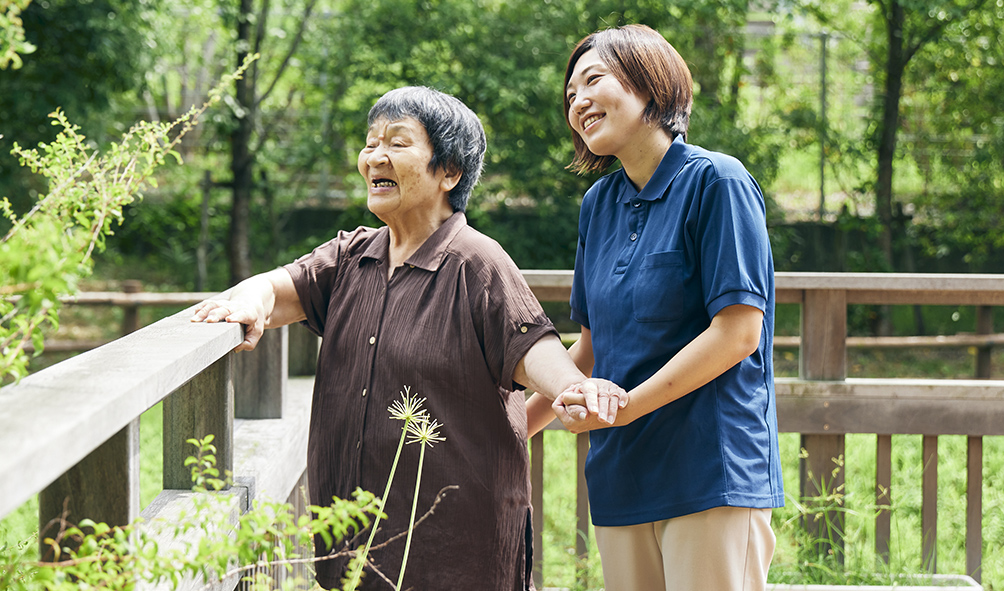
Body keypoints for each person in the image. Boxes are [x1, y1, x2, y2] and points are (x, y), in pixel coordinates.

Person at [191, 86, 624, 590]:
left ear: (449, 172)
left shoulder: (478, 263)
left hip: (457, 553)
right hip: (350, 548)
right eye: (370, 142)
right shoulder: (351, 256)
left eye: (397, 142)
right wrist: (247, 301)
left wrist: (572, 387)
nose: (375, 155)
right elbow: (274, 289)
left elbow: (532, 349)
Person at [547, 24, 784, 591]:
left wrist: (628, 405)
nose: (578, 101)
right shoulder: (597, 205)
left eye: (593, 80)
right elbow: (590, 349)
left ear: (651, 85)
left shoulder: (718, 182)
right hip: (621, 472)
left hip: (710, 471)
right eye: (570, 94)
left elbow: (737, 333)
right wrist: (513, 425)